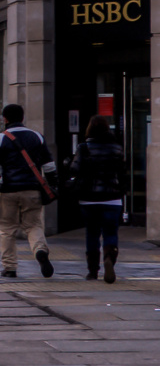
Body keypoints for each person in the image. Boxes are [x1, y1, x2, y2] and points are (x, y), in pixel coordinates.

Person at [0, 103, 57, 278]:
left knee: (7, 229)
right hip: (32, 189)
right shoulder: (37, 137)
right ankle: (40, 250)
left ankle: (10, 267)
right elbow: (48, 165)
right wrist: (53, 185)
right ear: (22, 118)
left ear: (5, 119)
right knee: (33, 225)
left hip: (8, 190)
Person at [66, 115, 130, 282]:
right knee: (110, 232)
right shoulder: (117, 148)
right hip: (112, 197)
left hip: (89, 198)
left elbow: (75, 169)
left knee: (92, 233)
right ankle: (109, 257)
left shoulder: (84, 147)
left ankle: (92, 271)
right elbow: (123, 172)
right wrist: (122, 191)